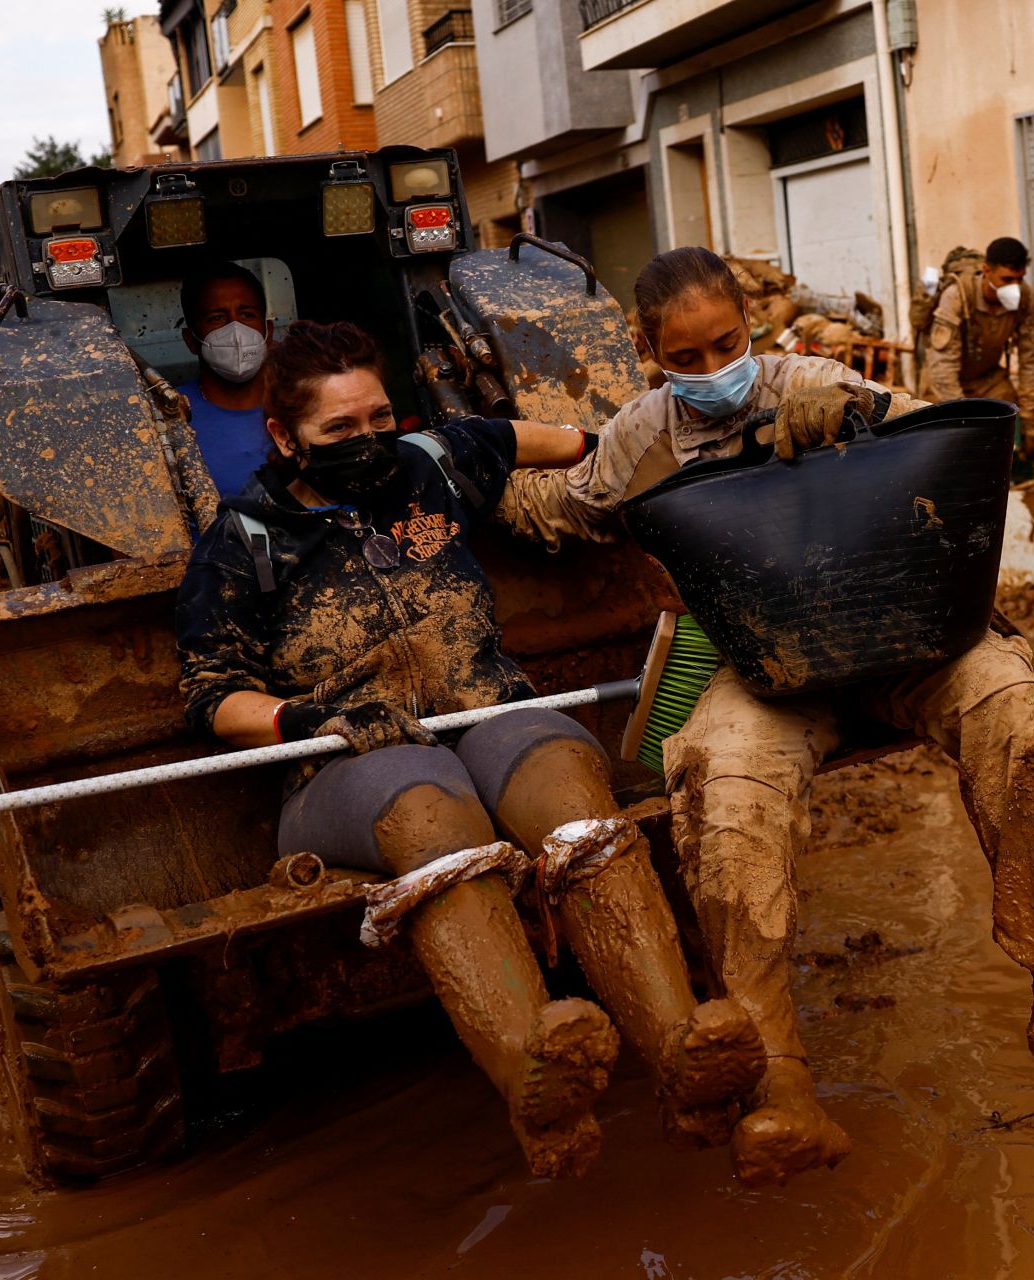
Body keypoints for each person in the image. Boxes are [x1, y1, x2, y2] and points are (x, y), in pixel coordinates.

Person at [499, 246, 1034, 1188]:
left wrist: (861, 421)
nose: (711, 371)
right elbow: (567, 508)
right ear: (648, 350)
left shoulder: (813, 382)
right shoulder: (640, 436)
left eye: (726, 345)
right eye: (684, 357)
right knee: (726, 789)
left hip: (900, 631)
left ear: (751, 325)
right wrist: (467, 466)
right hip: (768, 665)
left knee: (1012, 705)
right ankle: (780, 1083)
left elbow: (948, 450)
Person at [175, 320, 767, 1178]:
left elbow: (567, 442)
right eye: (338, 430)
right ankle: (536, 1079)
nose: (368, 441)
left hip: (490, 712)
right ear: (283, 437)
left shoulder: (437, 461)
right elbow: (210, 695)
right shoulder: (244, 541)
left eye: (378, 418)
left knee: (568, 783)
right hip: (347, 764)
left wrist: (665, 459)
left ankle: (682, 1052)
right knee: (429, 806)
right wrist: (304, 720)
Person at [921, 237, 1034, 466]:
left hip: (987, 379)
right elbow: (943, 367)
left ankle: (1014, 484)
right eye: (1007, 279)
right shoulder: (958, 296)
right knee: (946, 450)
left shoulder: (1026, 300)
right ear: (986, 271)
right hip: (942, 384)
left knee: (1009, 422)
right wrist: (963, 421)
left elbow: (1031, 360)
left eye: (1019, 280)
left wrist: (1029, 422)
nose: (1014, 287)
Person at [177, 262, 276, 498]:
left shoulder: (302, 403)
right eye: (217, 317)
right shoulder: (171, 414)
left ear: (268, 331)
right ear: (191, 340)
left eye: (247, 314)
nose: (236, 330)